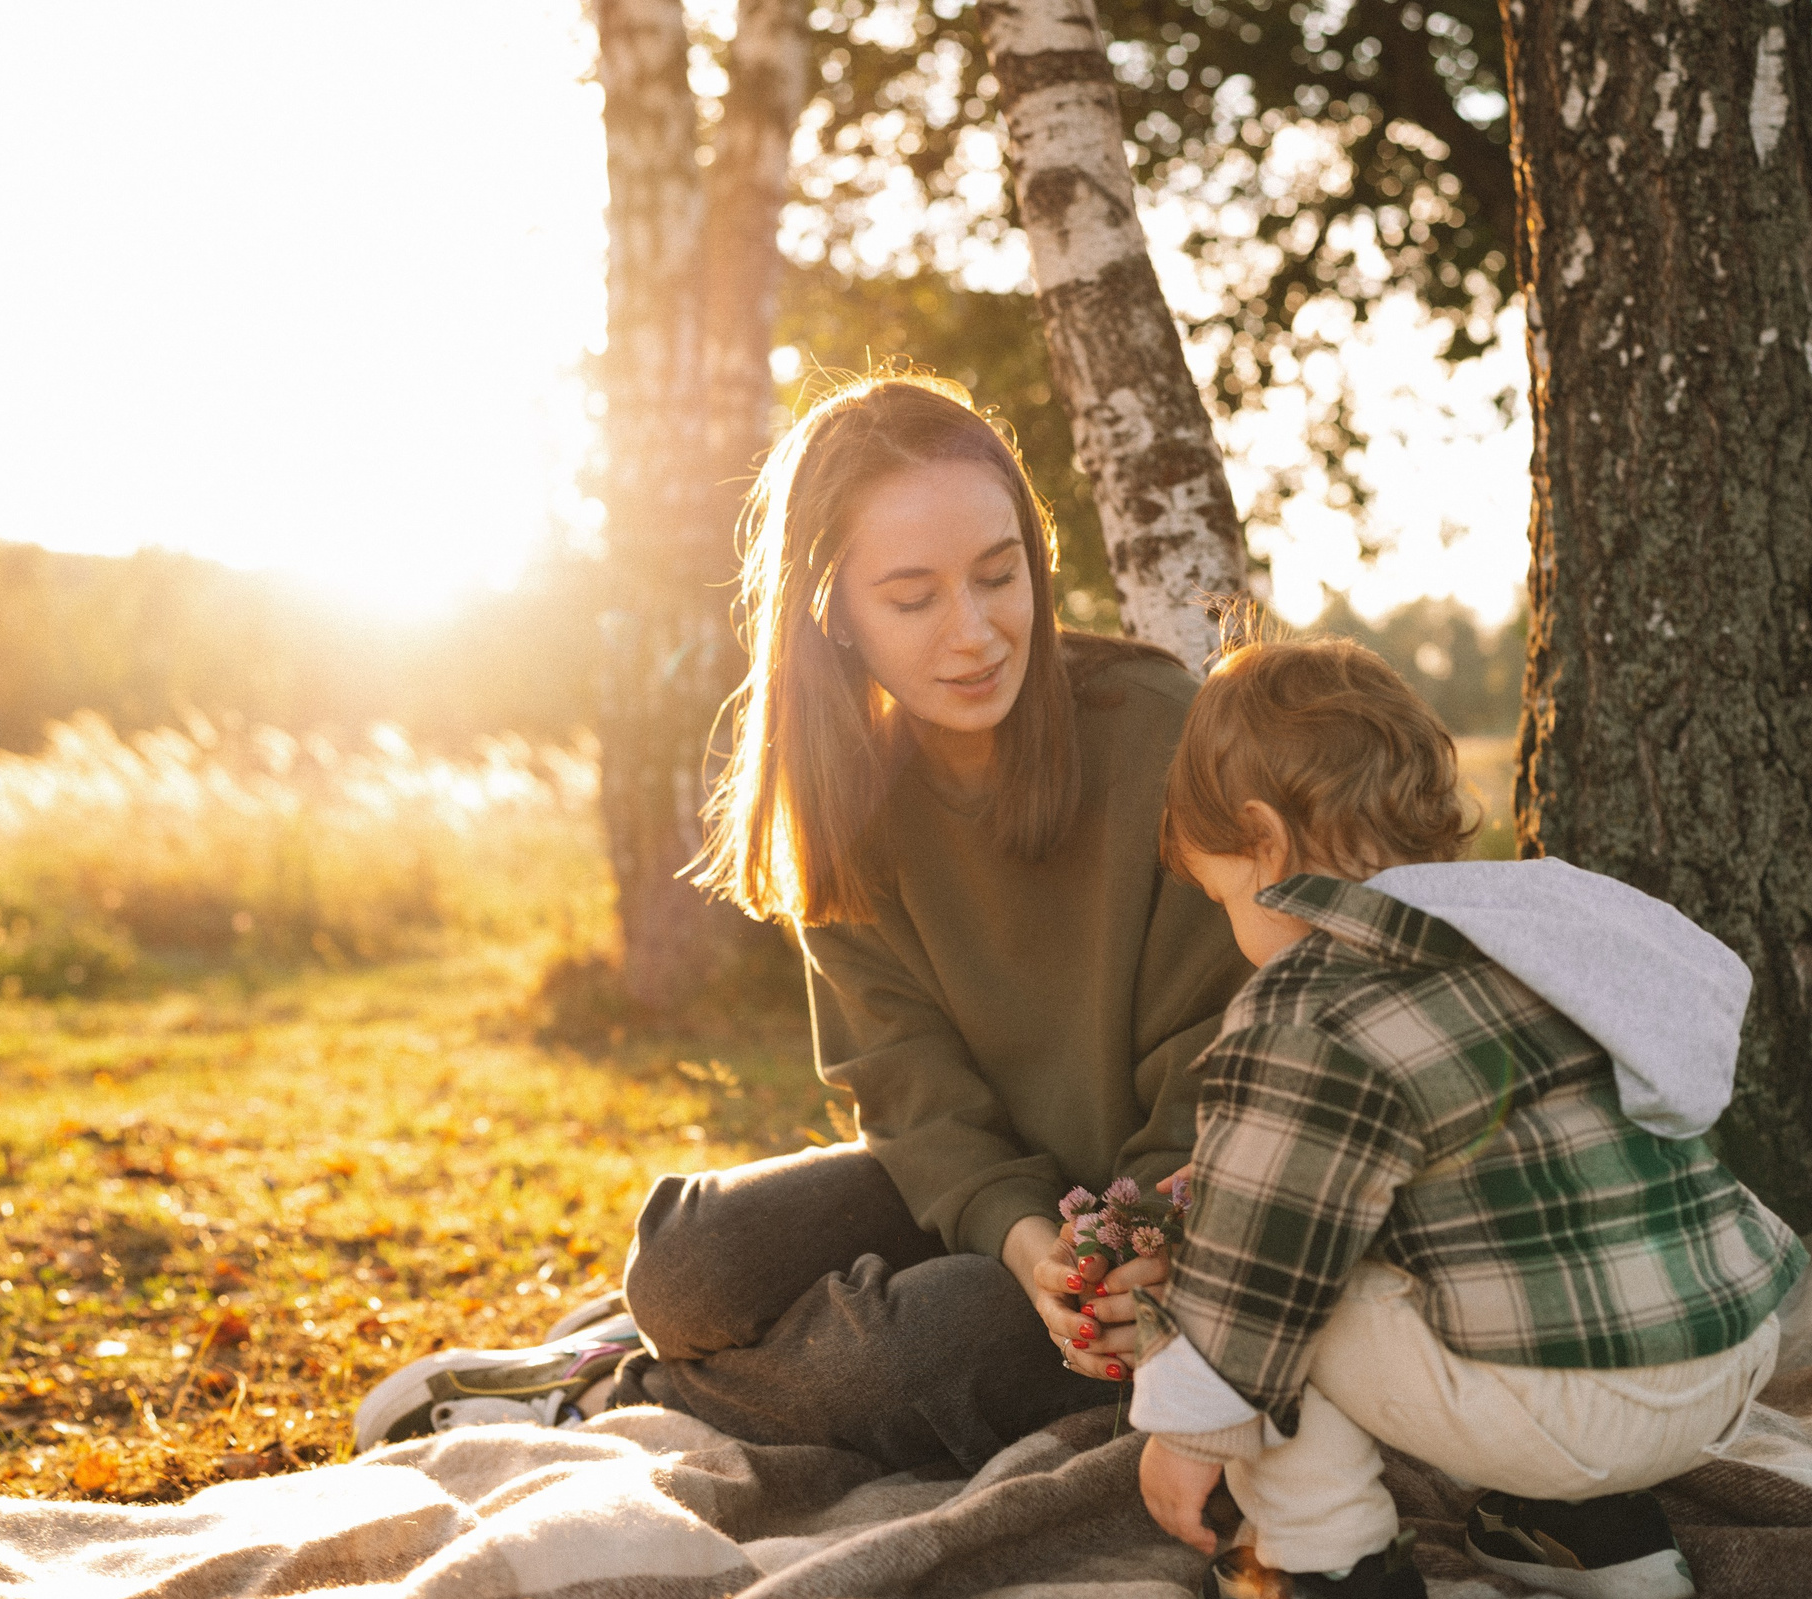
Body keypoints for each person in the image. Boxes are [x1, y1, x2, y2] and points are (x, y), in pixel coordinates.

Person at [354, 373, 1253, 1469]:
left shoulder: (1156, 736)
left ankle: (624, 1398)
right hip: (985, 1190)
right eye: (914, 598)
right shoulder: (844, 792)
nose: (974, 634)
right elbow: (909, 1085)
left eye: (998, 574)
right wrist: (1017, 1235)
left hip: (1147, 1226)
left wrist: (1126, 1250)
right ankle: (667, 1346)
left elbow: (1220, 1050)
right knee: (684, 1263)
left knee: (918, 1351)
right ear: (833, 611)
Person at [1127, 638, 1807, 1599]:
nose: (1233, 931)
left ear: (1260, 842)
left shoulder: (1310, 1001)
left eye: (1221, 894)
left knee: (1270, 1260)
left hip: (1560, 1413)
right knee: (1509, 1231)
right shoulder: (1544, 928)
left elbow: (1257, 1268)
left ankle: (1334, 1590)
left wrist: (1188, 1428)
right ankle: (1587, 1530)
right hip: (1727, 1362)